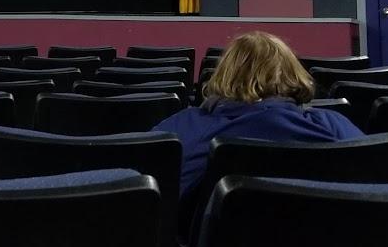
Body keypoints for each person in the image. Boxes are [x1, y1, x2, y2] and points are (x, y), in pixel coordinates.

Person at [152, 31, 363, 195]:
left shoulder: (184, 127)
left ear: (224, 73)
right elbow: (372, 179)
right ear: (292, 73)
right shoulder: (331, 125)